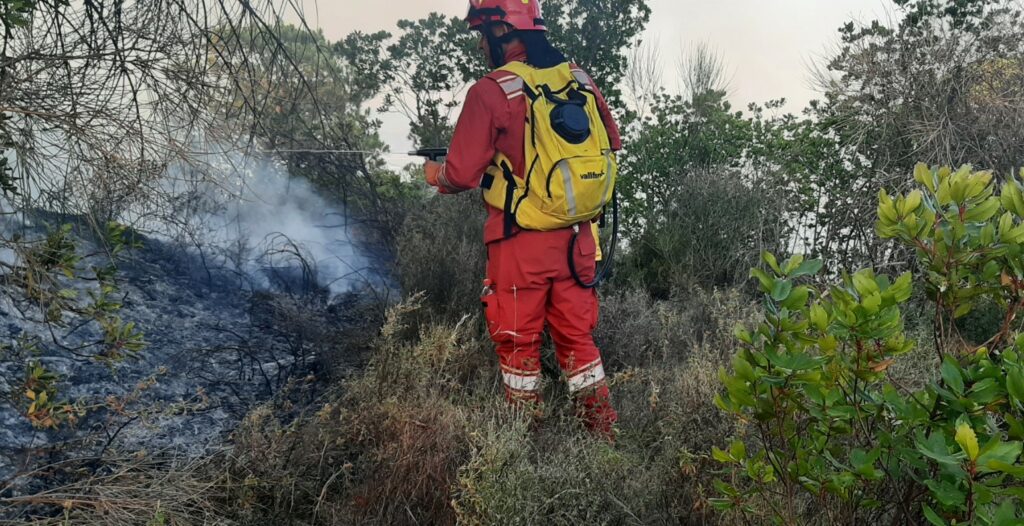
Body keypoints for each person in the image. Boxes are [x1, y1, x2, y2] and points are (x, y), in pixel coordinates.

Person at [423, 0, 622, 438]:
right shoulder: (581, 80)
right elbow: (612, 142)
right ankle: (603, 441)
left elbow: (461, 174)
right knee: (579, 342)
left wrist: (434, 173)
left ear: (500, 31)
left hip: (521, 244)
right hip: (578, 240)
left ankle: (522, 445)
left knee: (518, 346)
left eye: (482, 34)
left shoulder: (492, 91)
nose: (480, 45)